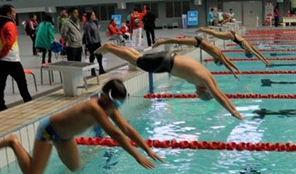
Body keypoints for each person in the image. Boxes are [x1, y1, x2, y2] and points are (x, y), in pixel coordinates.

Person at [0, 79, 165, 174]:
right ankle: (13, 142)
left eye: (119, 104)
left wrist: (147, 149)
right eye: (115, 103)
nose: (116, 107)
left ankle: (57, 149)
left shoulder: (109, 107)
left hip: (65, 138)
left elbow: (127, 128)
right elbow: (115, 133)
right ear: (105, 97)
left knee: (75, 168)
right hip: (49, 131)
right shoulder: (94, 107)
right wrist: (137, 156)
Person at [94, 43, 243, 120]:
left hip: (170, 56)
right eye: (197, 93)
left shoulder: (208, 75)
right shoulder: (204, 81)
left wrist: (234, 107)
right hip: (166, 63)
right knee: (136, 60)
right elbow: (218, 95)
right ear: (203, 91)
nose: (195, 92)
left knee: (139, 58)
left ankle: (112, 47)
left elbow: (220, 93)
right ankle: (109, 48)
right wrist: (232, 111)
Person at [0, 4, 32, 112]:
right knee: (22, 83)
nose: (15, 13)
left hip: (0, 62)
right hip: (12, 60)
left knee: (0, 84)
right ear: (8, 13)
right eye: (13, 11)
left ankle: (1, 106)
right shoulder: (10, 24)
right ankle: (28, 101)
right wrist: (1, 54)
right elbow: (9, 42)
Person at [153, 36, 240, 79]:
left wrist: (236, 69)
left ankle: (162, 42)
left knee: (179, 41)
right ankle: (161, 42)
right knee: (178, 41)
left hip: (199, 41)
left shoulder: (220, 53)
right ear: (217, 60)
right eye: (215, 61)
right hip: (198, 42)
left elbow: (228, 62)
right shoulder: (217, 55)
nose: (213, 60)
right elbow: (227, 64)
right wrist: (234, 73)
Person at [196, 27, 270, 67]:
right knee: (216, 34)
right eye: (245, 54)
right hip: (231, 36)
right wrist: (264, 62)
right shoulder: (247, 47)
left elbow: (258, 52)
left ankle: (203, 29)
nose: (244, 52)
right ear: (248, 52)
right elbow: (256, 54)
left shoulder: (249, 46)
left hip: (232, 36)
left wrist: (266, 60)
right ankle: (202, 29)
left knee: (216, 34)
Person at [83, 11, 105, 76]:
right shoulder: (87, 24)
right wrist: (90, 43)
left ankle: (101, 68)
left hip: (97, 42)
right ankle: (92, 71)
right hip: (92, 43)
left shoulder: (94, 23)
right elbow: (88, 35)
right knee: (92, 56)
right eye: (93, 15)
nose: (94, 16)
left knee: (100, 56)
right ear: (89, 16)